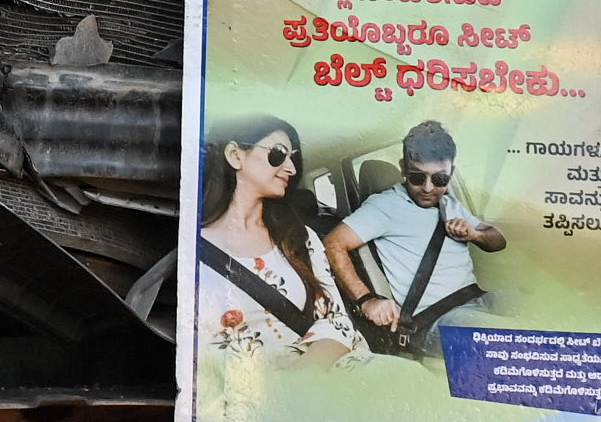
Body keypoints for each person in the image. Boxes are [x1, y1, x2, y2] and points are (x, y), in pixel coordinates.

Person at [327, 118, 506, 352]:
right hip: (439, 320)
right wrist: (366, 300)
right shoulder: (385, 206)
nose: (429, 188)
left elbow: (498, 241)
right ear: (403, 167)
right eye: (417, 177)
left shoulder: (450, 203)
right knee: (514, 341)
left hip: (479, 299)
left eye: (440, 179)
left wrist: (474, 234)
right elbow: (333, 243)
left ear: (451, 171)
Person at [192, 115, 358, 355]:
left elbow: (338, 322)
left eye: (293, 157)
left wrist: (304, 375)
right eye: (278, 153)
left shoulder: (301, 238)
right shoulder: (191, 248)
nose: (291, 168)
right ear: (235, 155)